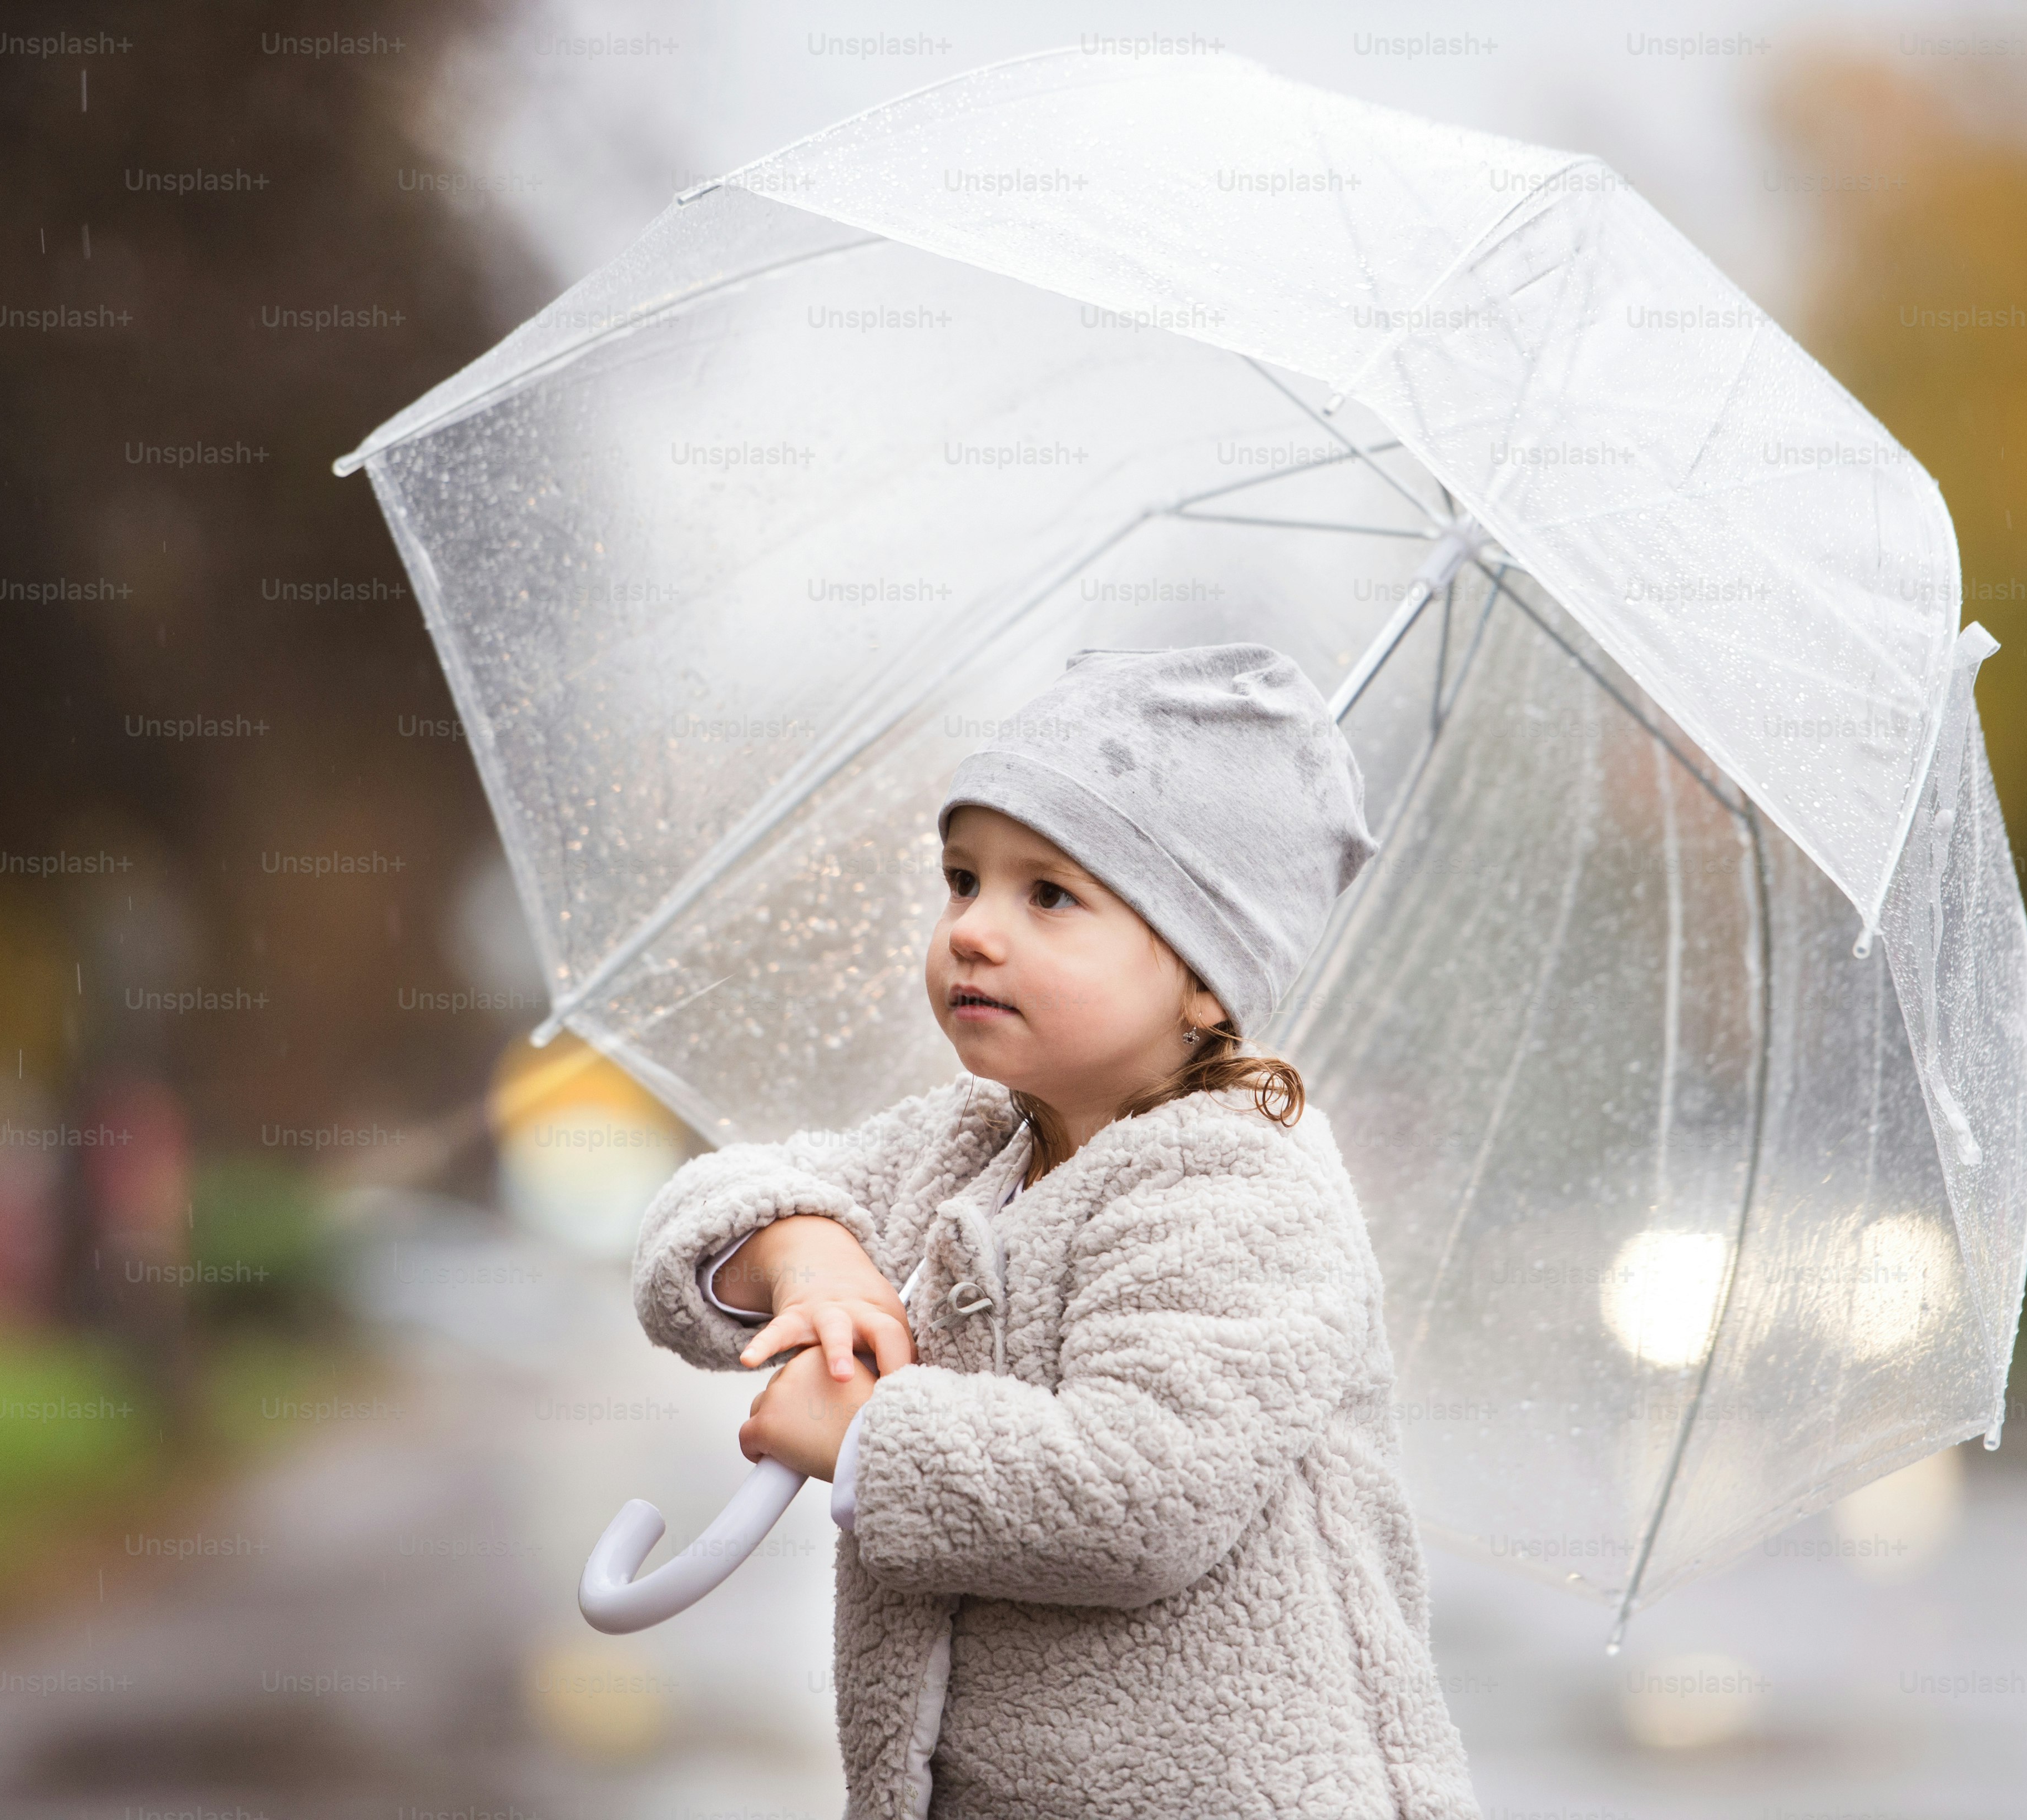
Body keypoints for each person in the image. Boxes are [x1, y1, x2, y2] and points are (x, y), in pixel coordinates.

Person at [631, 644, 1482, 1819]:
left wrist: (876, 1435)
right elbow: (715, 1202)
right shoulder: (967, 1145)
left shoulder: (1239, 1186)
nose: (975, 929)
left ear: (1203, 975)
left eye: (1050, 894)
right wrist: (810, 1256)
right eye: (961, 878)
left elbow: (1141, 1493)